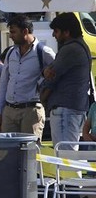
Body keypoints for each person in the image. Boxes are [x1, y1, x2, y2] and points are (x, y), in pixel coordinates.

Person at [0, 14, 56, 141]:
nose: (10, 36)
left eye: (13, 32)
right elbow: (4, 82)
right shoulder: (11, 52)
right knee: (7, 153)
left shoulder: (44, 52)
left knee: (30, 153)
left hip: (31, 110)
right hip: (9, 111)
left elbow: (56, 76)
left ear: (25, 31)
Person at [40, 12, 92, 147]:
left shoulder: (70, 49)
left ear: (67, 32)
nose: (53, 35)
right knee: (69, 156)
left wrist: (43, 97)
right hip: (74, 108)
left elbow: (52, 76)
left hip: (65, 110)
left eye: (56, 31)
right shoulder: (81, 47)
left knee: (65, 157)